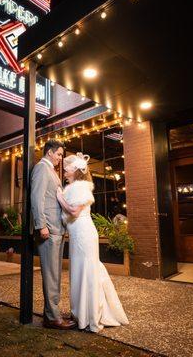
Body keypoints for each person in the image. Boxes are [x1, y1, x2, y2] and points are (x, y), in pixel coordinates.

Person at [56, 152, 129, 333]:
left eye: (67, 169)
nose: (64, 172)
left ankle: (90, 315)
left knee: (87, 271)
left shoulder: (80, 187)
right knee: (80, 271)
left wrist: (60, 198)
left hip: (83, 234)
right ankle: (80, 313)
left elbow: (73, 211)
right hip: (77, 235)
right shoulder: (73, 187)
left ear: (76, 171)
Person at [30, 139, 77, 330]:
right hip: (48, 231)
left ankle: (52, 313)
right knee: (51, 274)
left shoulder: (51, 171)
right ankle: (52, 317)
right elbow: (36, 197)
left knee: (55, 274)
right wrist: (41, 225)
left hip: (57, 230)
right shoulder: (42, 168)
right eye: (58, 154)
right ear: (49, 152)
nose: (60, 158)